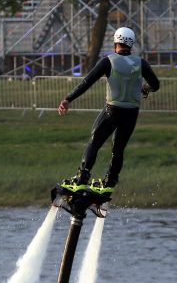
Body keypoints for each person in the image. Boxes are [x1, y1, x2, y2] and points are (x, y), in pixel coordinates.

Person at [57, 27, 160, 192]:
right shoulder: (141, 63)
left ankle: (81, 179)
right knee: (118, 149)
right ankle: (109, 183)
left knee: (94, 143)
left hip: (113, 110)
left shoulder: (108, 61)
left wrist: (68, 99)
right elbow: (156, 85)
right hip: (132, 113)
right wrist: (145, 88)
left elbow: (87, 82)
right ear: (131, 44)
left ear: (115, 43)